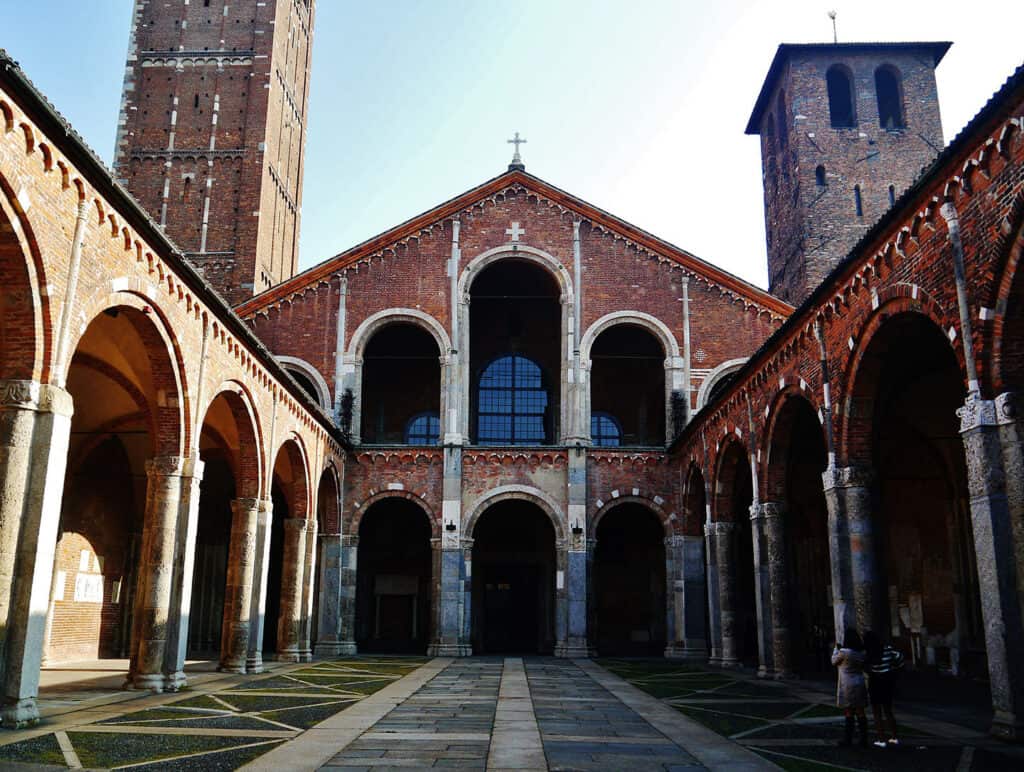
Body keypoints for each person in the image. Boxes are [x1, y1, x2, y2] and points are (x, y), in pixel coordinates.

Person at [864, 630, 904, 748]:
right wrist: (895, 669)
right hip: (887, 681)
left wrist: (871, 671)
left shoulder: (868, 653)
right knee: (888, 710)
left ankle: (881, 739)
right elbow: (899, 657)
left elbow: (865, 666)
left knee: (877, 712)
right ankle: (894, 737)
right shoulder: (887, 649)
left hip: (875, 682)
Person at [832, 629, 869, 747]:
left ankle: (848, 739)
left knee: (848, 710)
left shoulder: (844, 652)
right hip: (859, 681)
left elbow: (834, 661)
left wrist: (835, 650)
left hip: (847, 684)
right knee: (860, 711)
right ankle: (863, 739)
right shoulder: (862, 652)